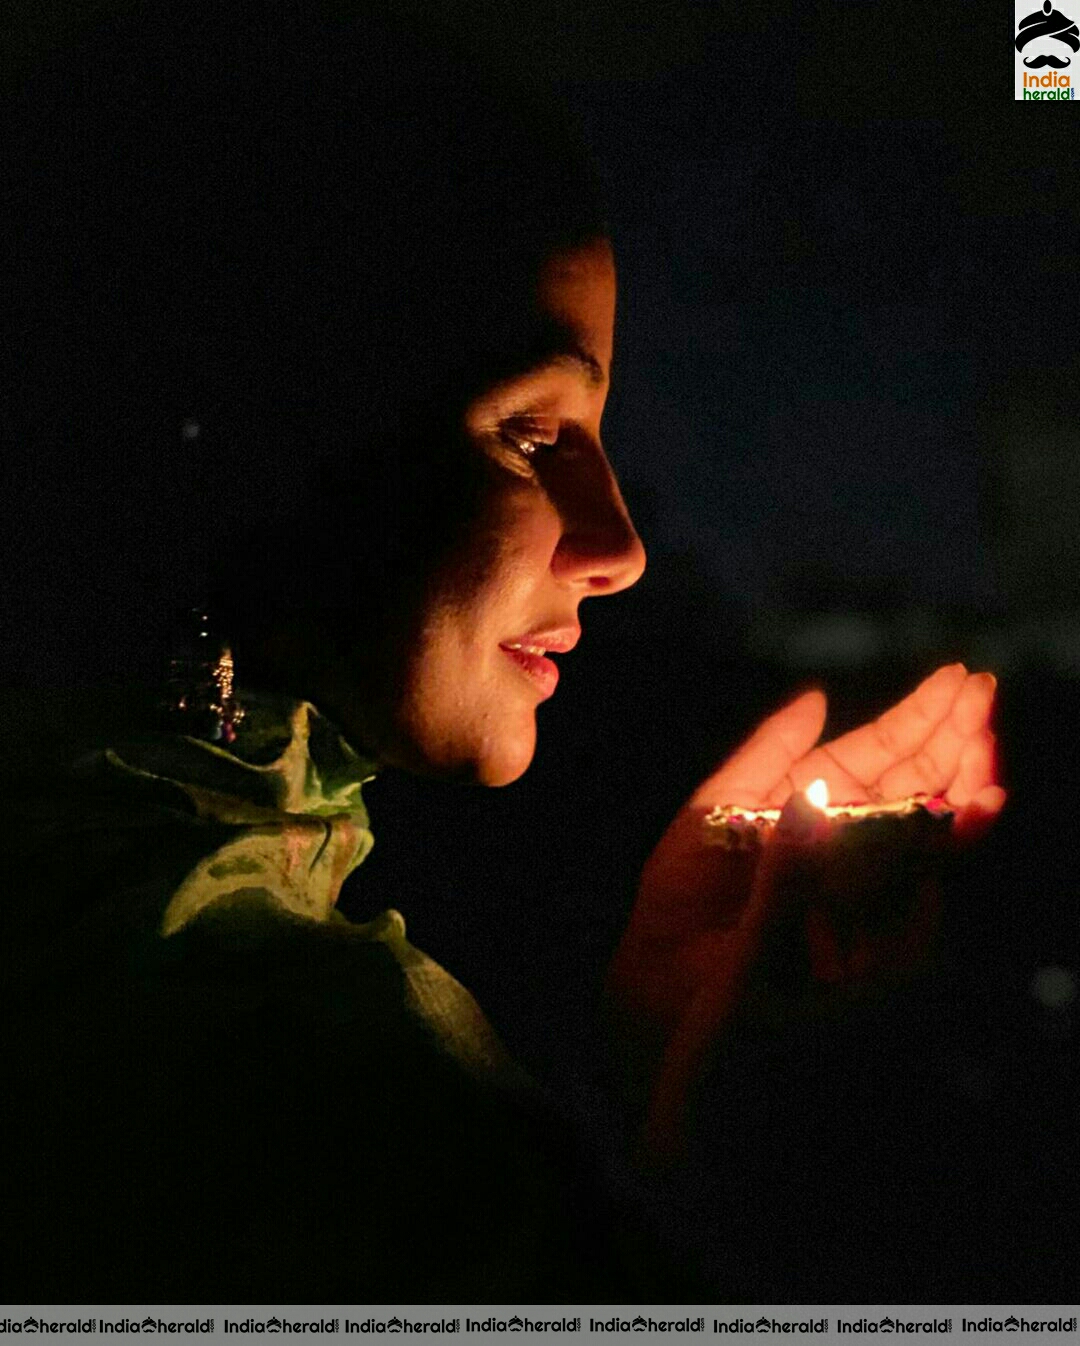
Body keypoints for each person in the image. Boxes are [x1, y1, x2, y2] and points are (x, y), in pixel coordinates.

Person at [2, 4, 1003, 1304]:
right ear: (248, 440)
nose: (622, 545)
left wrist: (653, 1058)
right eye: (536, 434)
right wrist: (756, 1174)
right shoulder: (320, 1094)